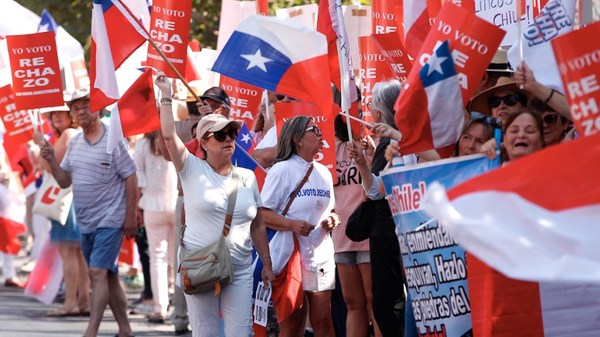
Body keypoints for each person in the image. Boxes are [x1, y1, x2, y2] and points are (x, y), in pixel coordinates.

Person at [156, 71, 274, 336]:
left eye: (231, 133)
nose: (229, 139)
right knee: (205, 332)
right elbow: (167, 136)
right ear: (204, 143)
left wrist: (266, 263)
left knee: (241, 333)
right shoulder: (191, 169)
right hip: (200, 265)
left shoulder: (246, 177)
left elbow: (258, 224)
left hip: (240, 268)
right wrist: (166, 96)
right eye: (220, 135)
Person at [39, 87, 138, 337]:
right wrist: (51, 160)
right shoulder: (74, 143)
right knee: (109, 276)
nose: (80, 111)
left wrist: (129, 216)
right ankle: (125, 330)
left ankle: (91, 332)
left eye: (85, 105)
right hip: (86, 222)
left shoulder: (113, 138)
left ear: (98, 109)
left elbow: (131, 175)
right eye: (75, 108)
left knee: (97, 272)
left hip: (111, 219)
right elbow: (64, 181)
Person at [260, 116, 340, 337]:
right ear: (298, 139)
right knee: (293, 326)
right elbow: (262, 214)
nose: (320, 133)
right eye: (314, 130)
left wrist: (333, 219)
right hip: (290, 257)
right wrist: (292, 224)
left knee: (324, 322)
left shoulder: (324, 172)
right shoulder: (281, 170)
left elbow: (329, 210)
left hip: (321, 254)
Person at [348, 80, 406, 337]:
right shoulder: (392, 143)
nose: (368, 109)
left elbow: (374, 193)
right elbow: (378, 189)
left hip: (391, 233)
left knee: (387, 303)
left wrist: (364, 162)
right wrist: (364, 161)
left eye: (370, 104)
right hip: (398, 231)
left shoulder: (399, 141)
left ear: (380, 112)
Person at [35, 104, 91, 317]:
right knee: (78, 255)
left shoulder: (68, 134)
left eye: (61, 112)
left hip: (68, 201)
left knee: (69, 254)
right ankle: (83, 300)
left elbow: (51, 166)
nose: (56, 117)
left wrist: (41, 143)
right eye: (53, 113)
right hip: (75, 198)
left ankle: (71, 302)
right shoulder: (74, 133)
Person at [332, 115, 379, 337]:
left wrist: (370, 154)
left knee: (374, 301)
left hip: (368, 233)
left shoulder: (372, 144)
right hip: (341, 236)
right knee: (352, 303)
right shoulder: (331, 149)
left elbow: (379, 187)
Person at [134, 131, 178, 324]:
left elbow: (139, 177)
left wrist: (136, 206)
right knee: (177, 258)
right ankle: (181, 308)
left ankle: (160, 307)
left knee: (157, 258)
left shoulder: (143, 144)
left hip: (152, 205)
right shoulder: (173, 137)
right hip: (176, 204)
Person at [480, 110, 545, 163]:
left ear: (541, 140)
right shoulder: (488, 170)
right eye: (514, 131)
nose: (521, 135)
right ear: (504, 139)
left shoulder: (553, 170)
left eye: (529, 131)